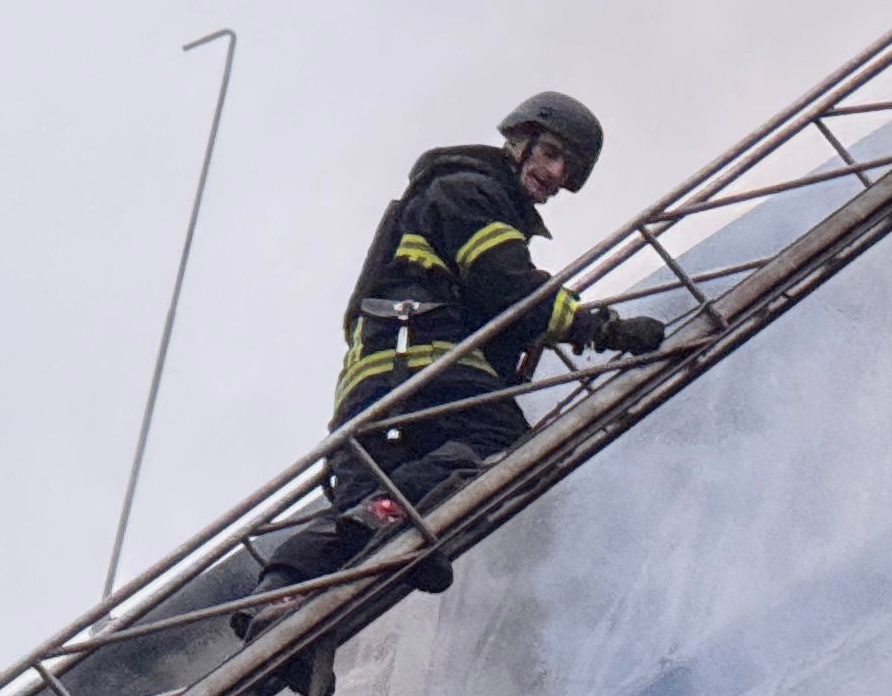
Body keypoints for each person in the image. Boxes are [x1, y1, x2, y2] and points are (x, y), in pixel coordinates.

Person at [246, 92, 666, 621]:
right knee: (501, 447)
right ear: (519, 140)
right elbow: (512, 288)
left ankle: (280, 600)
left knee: (356, 532)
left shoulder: (448, 196)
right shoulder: (471, 192)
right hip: (424, 363)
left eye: (569, 169)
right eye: (552, 155)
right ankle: (392, 512)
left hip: (370, 385)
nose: (556, 176)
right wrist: (604, 329)